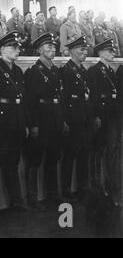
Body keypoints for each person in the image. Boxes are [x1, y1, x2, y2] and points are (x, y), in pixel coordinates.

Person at [0, 31, 28, 222]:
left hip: (15, 124)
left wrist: (24, 124)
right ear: (2, 49)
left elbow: (21, 100)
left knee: (13, 164)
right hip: (0, 126)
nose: (17, 50)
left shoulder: (17, 71)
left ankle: (16, 201)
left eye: (18, 47)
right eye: (12, 47)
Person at [24, 33, 68, 210]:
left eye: (53, 47)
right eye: (48, 47)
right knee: (35, 159)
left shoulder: (56, 70)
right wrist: (33, 124)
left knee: (53, 157)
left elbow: (60, 97)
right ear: (40, 50)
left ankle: (52, 194)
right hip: (41, 119)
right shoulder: (33, 72)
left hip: (56, 118)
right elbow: (30, 102)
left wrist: (63, 120)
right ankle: (32, 198)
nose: (52, 49)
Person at [88, 39, 120, 206]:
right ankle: (98, 186)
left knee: (111, 153)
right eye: (109, 51)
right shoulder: (94, 71)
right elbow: (92, 96)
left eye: (112, 51)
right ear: (100, 53)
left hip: (112, 117)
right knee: (99, 153)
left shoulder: (111, 71)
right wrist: (95, 116)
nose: (112, 54)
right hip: (102, 118)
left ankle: (109, 185)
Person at [60, 36, 91, 202]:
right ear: (71, 51)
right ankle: (66, 190)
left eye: (85, 49)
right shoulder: (66, 71)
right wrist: (64, 120)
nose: (84, 52)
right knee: (70, 156)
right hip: (72, 120)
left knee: (83, 155)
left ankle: (82, 188)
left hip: (84, 118)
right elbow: (64, 98)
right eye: (81, 49)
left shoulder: (83, 71)